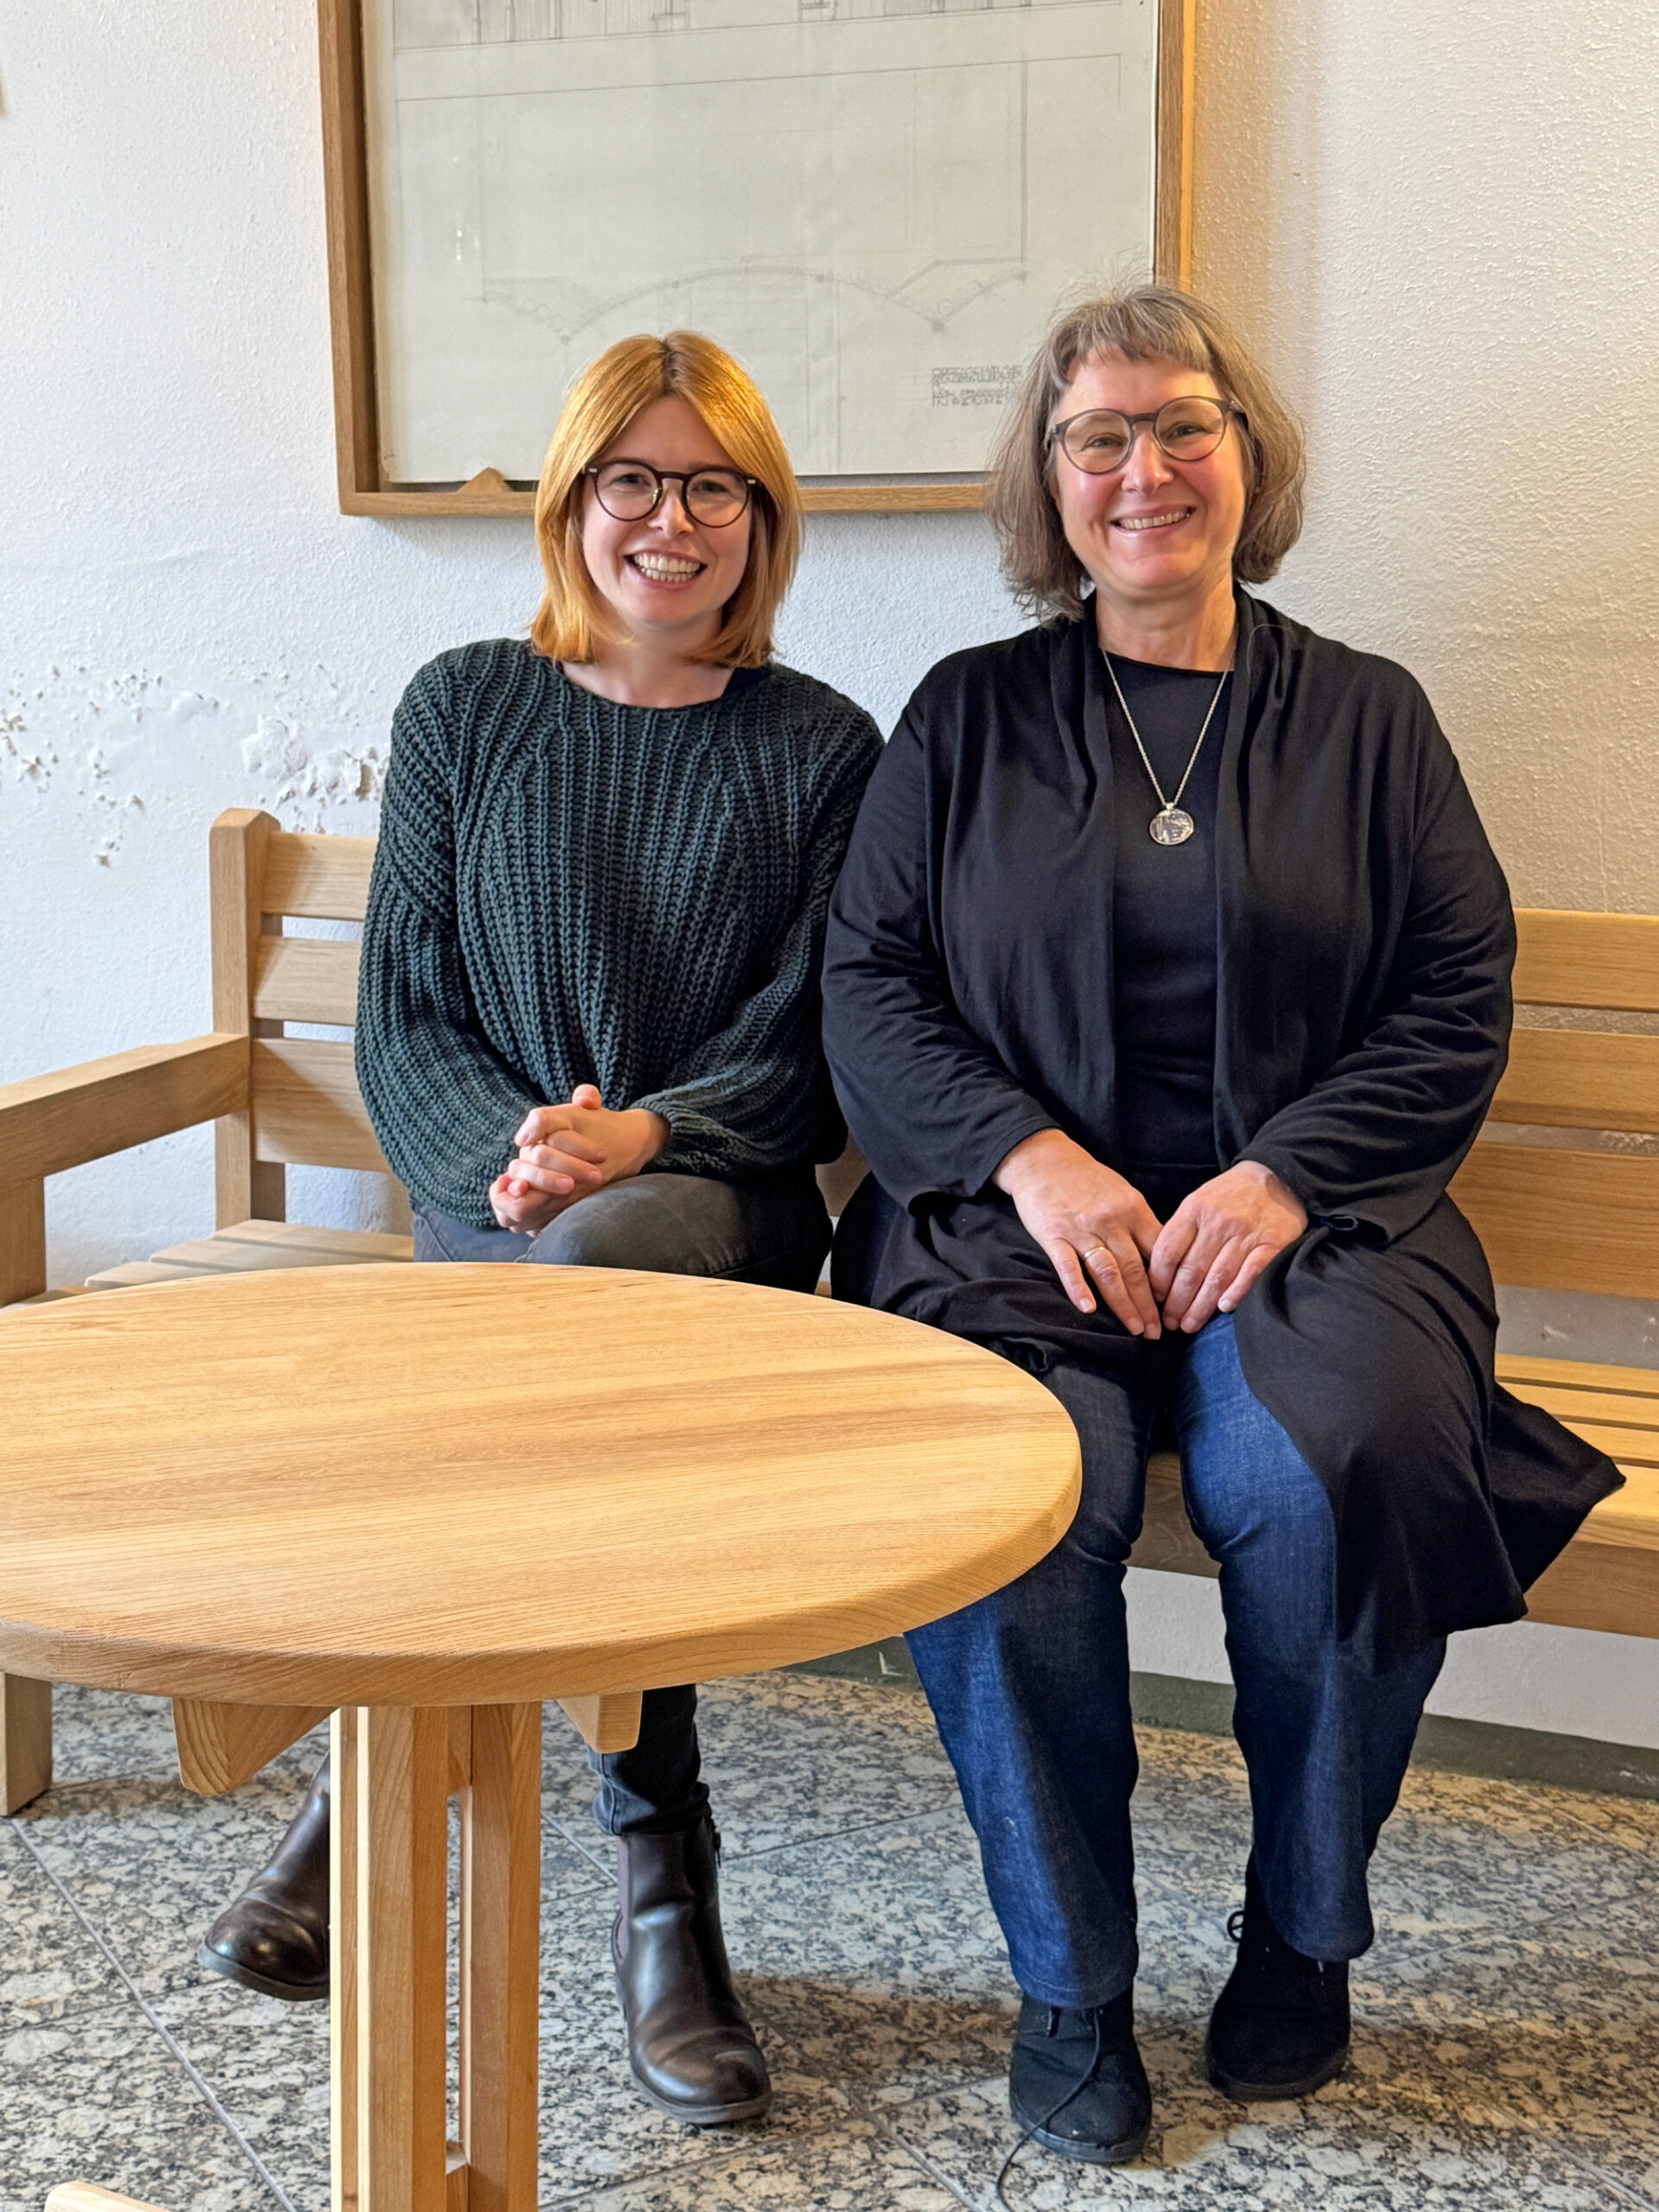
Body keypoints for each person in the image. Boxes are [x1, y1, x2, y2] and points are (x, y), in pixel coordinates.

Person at [820, 283, 1620, 2168]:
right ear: (1049, 477)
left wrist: (1289, 1173)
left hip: (1315, 1234)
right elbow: (870, 978)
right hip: (1020, 1238)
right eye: (1097, 435)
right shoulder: (966, 715)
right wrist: (1028, 1154)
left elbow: (1455, 994)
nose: (1144, 468)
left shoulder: (1369, 717)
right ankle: (1070, 1978)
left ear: (1247, 454)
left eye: (1183, 423)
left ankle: (1302, 1926)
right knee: (1009, 1499)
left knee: (1336, 1471)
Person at [197, 330, 882, 2130]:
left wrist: (640, 1135)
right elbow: (405, 1012)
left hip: (713, 1210)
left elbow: (813, 1042)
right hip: (495, 1208)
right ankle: (661, 1874)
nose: (672, 519)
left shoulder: (824, 746)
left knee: (590, 1293)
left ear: (763, 517)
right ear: (573, 502)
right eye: (631, 479)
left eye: (714, 484)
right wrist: (511, 1162)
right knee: (551, 1318)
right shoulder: (462, 708)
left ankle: (393, 1798)